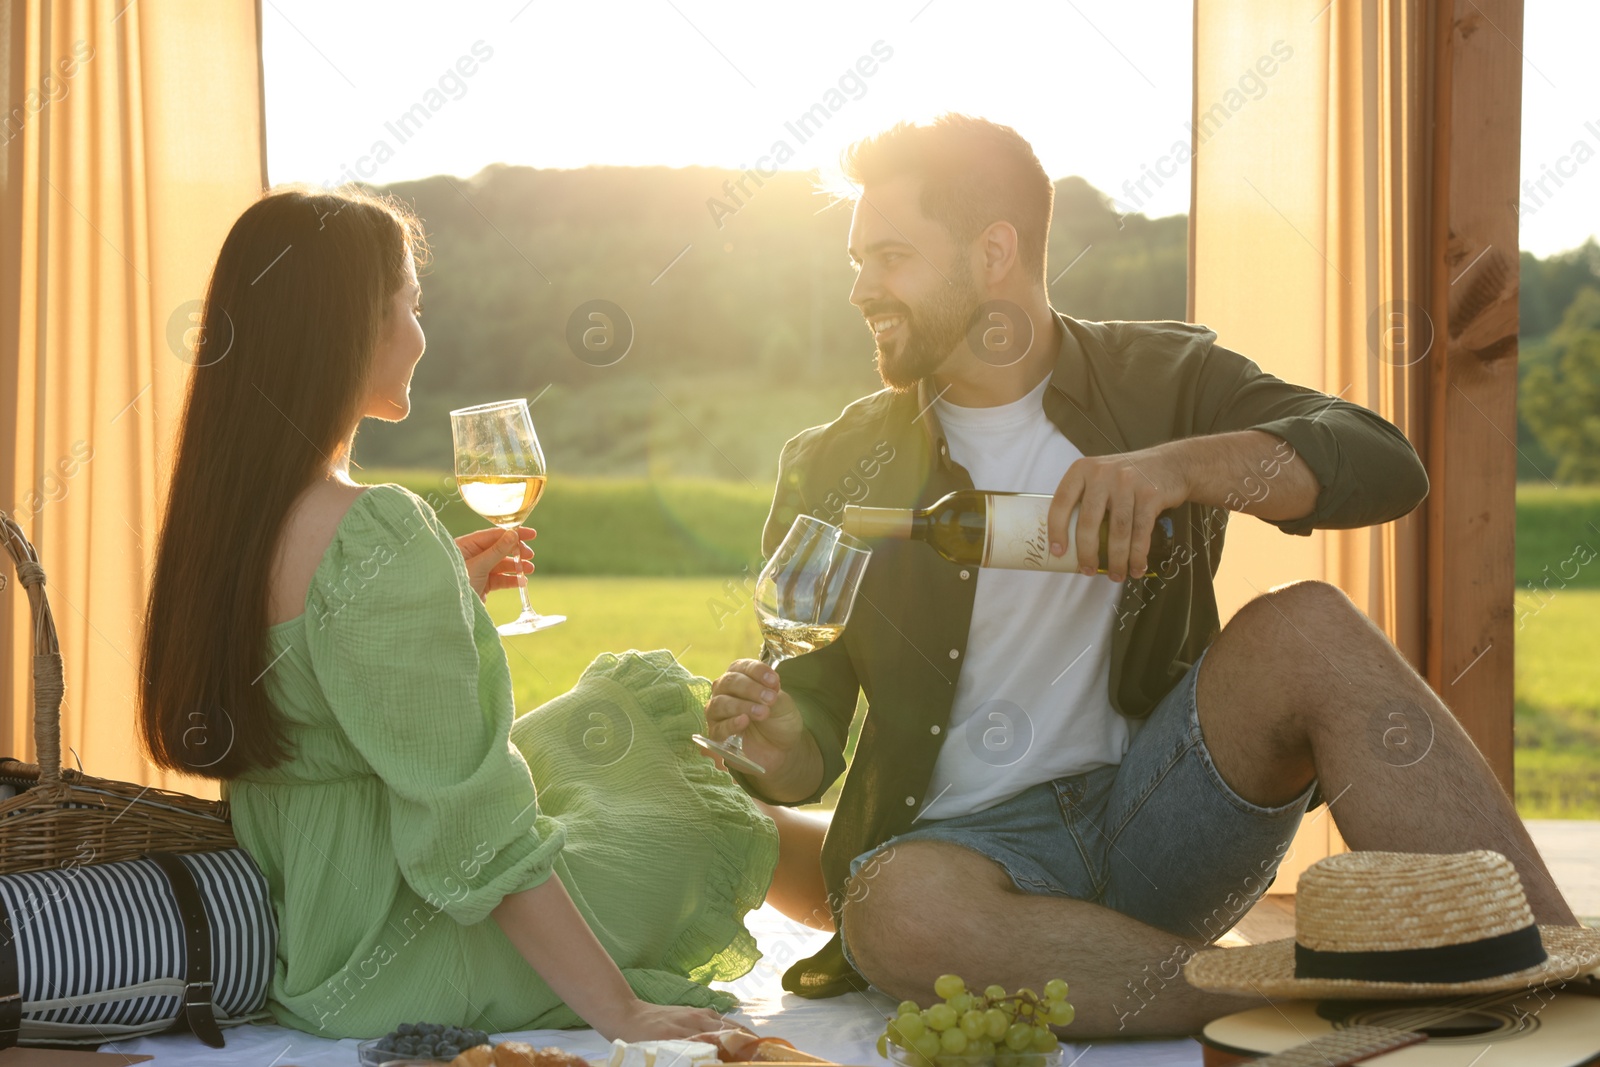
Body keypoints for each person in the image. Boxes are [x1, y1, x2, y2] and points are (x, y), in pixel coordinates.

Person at [700, 114, 1583, 1037]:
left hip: (1162, 812)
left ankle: (1557, 967)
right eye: (857, 261)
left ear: (994, 251)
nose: (862, 288)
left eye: (890, 257)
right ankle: (1311, 997)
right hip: (964, 854)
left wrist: (1183, 468)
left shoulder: (1162, 377)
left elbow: (1384, 463)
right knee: (890, 910)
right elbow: (806, 748)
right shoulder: (834, 464)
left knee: (1306, 624)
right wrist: (775, 743)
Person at [136, 185, 778, 1041]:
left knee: (594, 722)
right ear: (344, 326)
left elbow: (324, 689)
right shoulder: (370, 529)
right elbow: (471, 821)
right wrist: (621, 1010)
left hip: (317, 936)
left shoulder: (226, 517)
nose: (420, 333)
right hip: (409, 945)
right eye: (409, 302)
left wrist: (445, 605)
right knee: (670, 782)